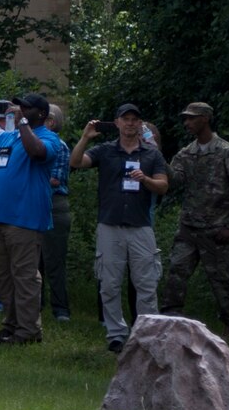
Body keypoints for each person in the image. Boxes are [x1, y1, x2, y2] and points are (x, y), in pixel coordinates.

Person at [0, 91, 67, 345]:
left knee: (24, 276)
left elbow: (37, 153)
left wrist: (22, 122)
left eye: (26, 107)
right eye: (19, 106)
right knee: (5, 275)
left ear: (42, 114)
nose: (20, 109)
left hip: (24, 218)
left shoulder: (50, 138)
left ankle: (28, 331)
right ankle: (11, 325)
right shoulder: (8, 137)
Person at [71, 105, 169, 352]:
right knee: (109, 283)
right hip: (109, 225)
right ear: (117, 123)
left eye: (135, 120)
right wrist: (85, 137)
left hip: (140, 226)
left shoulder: (151, 154)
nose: (130, 124)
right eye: (126, 119)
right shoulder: (105, 150)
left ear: (140, 124)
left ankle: (148, 335)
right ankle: (116, 334)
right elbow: (76, 162)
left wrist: (145, 180)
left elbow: (163, 185)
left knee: (146, 283)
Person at [158, 102, 229, 329]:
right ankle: (171, 323)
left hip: (218, 230)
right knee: (176, 274)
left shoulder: (227, 153)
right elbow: (174, 181)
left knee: (224, 281)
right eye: (186, 118)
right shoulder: (186, 153)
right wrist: (156, 155)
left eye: (192, 118)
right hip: (189, 228)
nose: (187, 123)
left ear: (205, 119)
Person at [42, 103, 74, 322]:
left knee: (54, 261)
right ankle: (34, 305)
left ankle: (60, 309)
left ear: (50, 122)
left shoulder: (59, 146)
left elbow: (55, 179)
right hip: (36, 203)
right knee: (34, 261)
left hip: (54, 205)